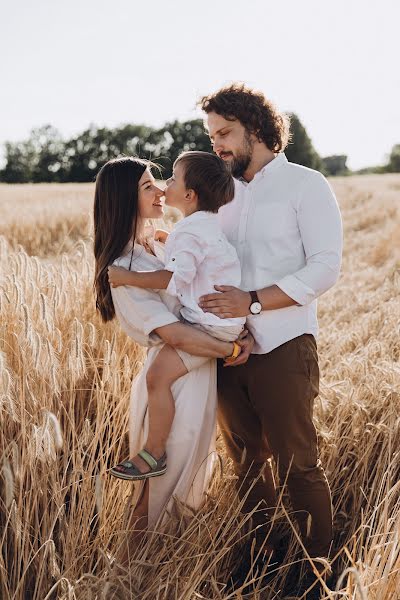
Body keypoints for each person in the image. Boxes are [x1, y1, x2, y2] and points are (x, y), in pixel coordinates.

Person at [198, 83, 343, 596]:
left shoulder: (306, 184)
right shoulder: (223, 193)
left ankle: (318, 575)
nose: (217, 144)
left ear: (255, 128)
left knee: (298, 463)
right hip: (227, 352)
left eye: (225, 133)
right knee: (245, 462)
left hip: (284, 345)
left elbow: (325, 267)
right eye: (212, 135)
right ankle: (260, 562)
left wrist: (253, 302)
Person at [93, 156, 251, 536]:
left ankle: (169, 575)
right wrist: (230, 348)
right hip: (172, 383)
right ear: (124, 200)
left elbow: (193, 279)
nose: (161, 189)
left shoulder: (157, 248)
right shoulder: (123, 267)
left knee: (187, 490)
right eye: (149, 186)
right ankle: (134, 576)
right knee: (156, 493)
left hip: (196, 376)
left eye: (160, 181)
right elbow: (176, 334)